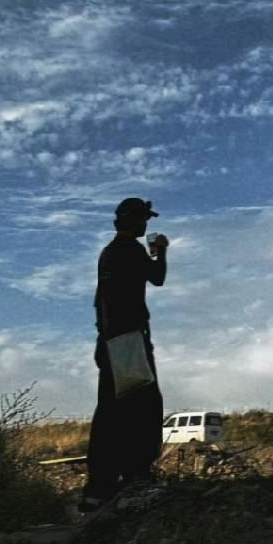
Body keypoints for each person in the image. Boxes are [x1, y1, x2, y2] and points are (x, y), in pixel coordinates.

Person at [79, 197, 170, 513]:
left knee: (111, 412)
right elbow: (157, 278)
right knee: (143, 407)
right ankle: (135, 477)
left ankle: (100, 487)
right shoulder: (131, 250)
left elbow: (102, 301)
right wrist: (161, 252)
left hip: (110, 341)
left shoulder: (110, 253)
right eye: (144, 219)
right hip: (127, 341)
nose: (147, 225)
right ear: (135, 222)